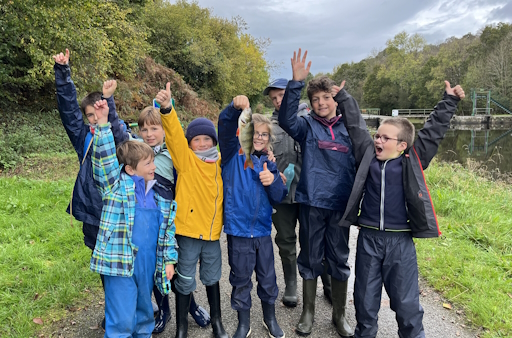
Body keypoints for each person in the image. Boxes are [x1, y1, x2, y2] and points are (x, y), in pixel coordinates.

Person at [338, 81, 465, 338]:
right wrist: (342, 97)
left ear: (402, 146)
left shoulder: (412, 162)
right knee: (364, 300)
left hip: (400, 242)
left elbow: (432, 133)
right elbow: (355, 126)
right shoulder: (368, 158)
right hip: (369, 239)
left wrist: (449, 101)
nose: (378, 140)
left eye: (385, 138)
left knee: (406, 303)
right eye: (377, 136)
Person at [278, 49, 356, 337]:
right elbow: (286, 120)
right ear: (309, 104)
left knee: (338, 258)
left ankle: (339, 315)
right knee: (311, 258)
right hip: (312, 201)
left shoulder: (350, 126)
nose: (321, 103)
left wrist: (348, 101)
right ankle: (308, 312)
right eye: (315, 99)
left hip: (341, 205)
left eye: (326, 97)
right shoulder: (306, 126)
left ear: (335, 99)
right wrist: (296, 82)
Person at [53, 49, 130, 330]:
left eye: (100, 113)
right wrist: (63, 72)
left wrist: (109, 101)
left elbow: (121, 136)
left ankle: (133, 308)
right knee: (105, 266)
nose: (95, 118)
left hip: (118, 212)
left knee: (126, 262)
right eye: (90, 115)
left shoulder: (118, 135)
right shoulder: (83, 136)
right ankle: (113, 310)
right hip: (93, 214)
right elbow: (68, 110)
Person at [89, 99, 177, 337]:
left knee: (144, 314)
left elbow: (167, 231)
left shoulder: (159, 197)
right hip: (120, 265)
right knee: (121, 321)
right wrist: (103, 124)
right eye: (148, 163)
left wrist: (168, 260)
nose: (154, 167)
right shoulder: (117, 188)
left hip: (146, 265)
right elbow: (104, 164)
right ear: (130, 169)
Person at [156, 83, 228, 338]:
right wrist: (167, 109)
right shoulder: (185, 161)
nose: (200, 143)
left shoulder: (221, 164)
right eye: (195, 139)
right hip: (187, 233)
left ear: (213, 141)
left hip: (211, 234)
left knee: (212, 277)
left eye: (205, 139)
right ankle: (182, 328)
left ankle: (217, 322)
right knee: (184, 280)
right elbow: (174, 134)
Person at [137, 108, 211, 334]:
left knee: (176, 267)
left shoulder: (175, 153)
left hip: (173, 220)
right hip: (147, 222)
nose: (149, 134)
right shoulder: (137, 152)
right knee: (154, 268)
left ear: (164, 130)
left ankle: (191, 306)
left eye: (154, 128)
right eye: (144, 129)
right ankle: (164, 309)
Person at [218, 95, 287, 338]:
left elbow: (278, 197)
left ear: (269, 138)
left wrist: (274, 181)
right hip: (238, 233)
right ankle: (243, 323)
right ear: (244, 131)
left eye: (264, 134)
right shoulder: (231, 155)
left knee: (268, 279)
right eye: (254, 132)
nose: (258, 137)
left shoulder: (270, 164)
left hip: (262, 233)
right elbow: (224, 127)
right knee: (240, 280)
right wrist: (232, 108)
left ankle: (270, 318)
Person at [264, 78, 332, 307]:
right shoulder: (268, 128)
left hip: (309, 194)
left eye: (281, 95)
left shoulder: (312, 122)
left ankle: (327, 283)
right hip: (281, 196)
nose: (277, 101)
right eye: (273, 98)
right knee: (285, 240)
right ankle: (291, 284)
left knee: (315, 239)